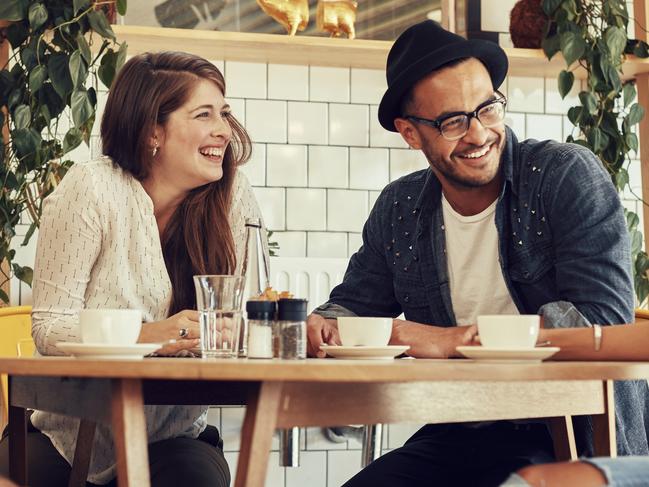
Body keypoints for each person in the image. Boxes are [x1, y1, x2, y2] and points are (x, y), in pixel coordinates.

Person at [306, 20, 649, 487]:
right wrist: (323, 323)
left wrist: (457, 341)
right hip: (463, 427)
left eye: (487, 109)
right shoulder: (400, 207)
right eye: (452, 121)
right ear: (410, 133)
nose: (478, 134)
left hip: (572, 433)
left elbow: (603, 321)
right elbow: (355, 305)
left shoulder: (563, 176)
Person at [0, 51, 265, 487]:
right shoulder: (92, 188)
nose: (223, 130)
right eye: (203, 114)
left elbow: (254, 314)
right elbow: (50, 327)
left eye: (224, 113)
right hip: (65, 432)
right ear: (152, 132)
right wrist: (154, 336)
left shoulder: (233, 198)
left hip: (173, 437)